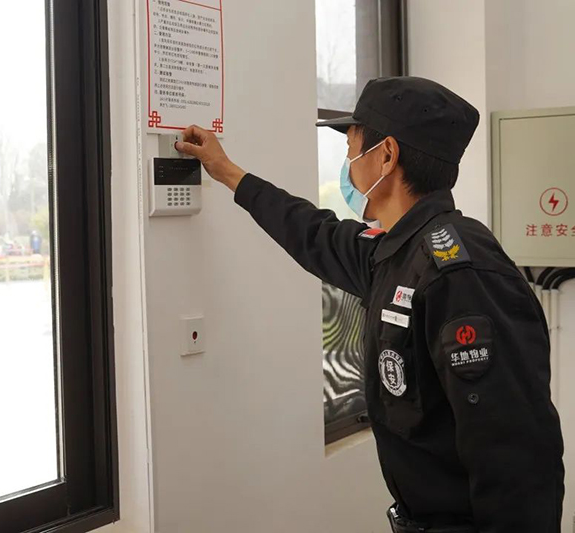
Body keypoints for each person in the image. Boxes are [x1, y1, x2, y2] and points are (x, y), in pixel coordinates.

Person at [175, 76, 564, 533]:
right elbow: (311, 232)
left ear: (387, 155)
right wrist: (226, 171)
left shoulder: (459, 273)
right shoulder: (395, 253)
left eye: (351, 148)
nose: (347, 163)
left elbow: (518, 456)